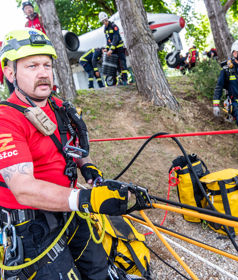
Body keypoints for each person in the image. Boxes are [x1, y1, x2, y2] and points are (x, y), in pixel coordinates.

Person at [0, 28, 141, 279]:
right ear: (10, 73)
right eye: (32, 66)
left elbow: (74, 146)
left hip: (71, 209)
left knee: (100, 271)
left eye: (46, 64)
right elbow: (22, 188)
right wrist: (87, 200)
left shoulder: (59, 106)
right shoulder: (6, 118)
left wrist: (88, 167)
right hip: (32, 226)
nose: (43, 73)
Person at [98, 12, 129, 85]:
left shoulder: (114, 26)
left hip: (119, 48)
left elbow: (116, 39)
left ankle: (125, 80)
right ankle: (120, 79)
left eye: (105, 20)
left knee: (122, 64)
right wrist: (107, 48)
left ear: (107, 19)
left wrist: (111, 50)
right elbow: (108, 40)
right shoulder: (105, 29)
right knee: (117, 65)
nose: (104, 22)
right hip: (114, 50)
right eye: (103, 21)